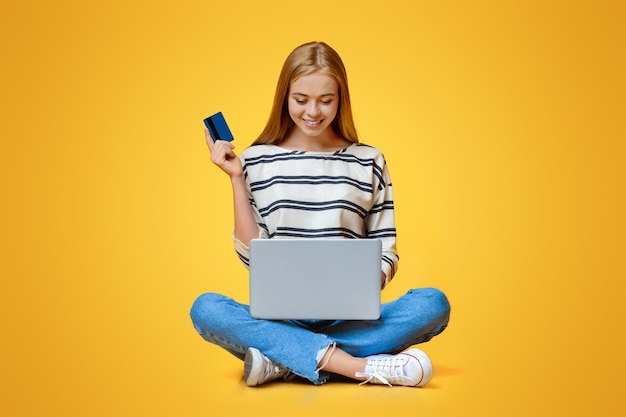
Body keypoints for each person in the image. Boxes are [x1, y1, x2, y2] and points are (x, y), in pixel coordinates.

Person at [190, 41, 450, 387]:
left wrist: (369, 281)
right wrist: (236, 178)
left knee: (432, 304)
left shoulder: (369, 160)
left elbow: (386, 248)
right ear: (285, 97)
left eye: (326, 100)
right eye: (301, 100)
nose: (313, 111)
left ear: (341, 99)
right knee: (206, 309)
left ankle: (284, 360)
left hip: (350, 319)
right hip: (282, 320)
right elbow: (253, 255)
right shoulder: (256, 160)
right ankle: (358, 367)